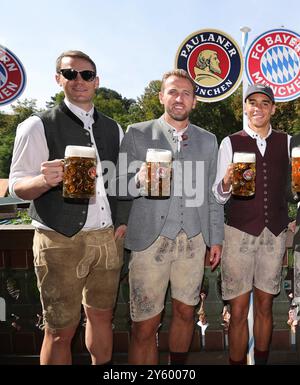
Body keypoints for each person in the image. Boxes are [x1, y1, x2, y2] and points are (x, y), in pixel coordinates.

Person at [9, 50, 127, 365]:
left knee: (102, 318)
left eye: (86, 75)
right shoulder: (36, 125)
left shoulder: (114, 128)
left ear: (96, 81)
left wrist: (122, 221)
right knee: (60, 330)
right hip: (59, 239)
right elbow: (16, 185)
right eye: (70, 73)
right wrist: (44, 180)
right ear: (58, 78)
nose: (79, 80)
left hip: (106, 237)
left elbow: (120, 182)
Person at [117, 69, 224, 365]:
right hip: (150, 241)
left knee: (186, 313)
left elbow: (213, 195)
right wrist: (138, 177)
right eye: (173, 92)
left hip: (193, 240)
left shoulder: (208, 140)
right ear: (161, 96)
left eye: (186, 93)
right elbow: (118, 187)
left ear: (194, 102)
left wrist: (215, 239)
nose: (179, 98)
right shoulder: (137, 132)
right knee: (144, 324)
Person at [213, 83, 290, 365]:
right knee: (237, 309)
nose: (258, 108)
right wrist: (226, 181)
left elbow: (292, 188)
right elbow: (218, 196)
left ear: (273, 108)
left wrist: (291, 221)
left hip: (273, 234)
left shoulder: (288, 141)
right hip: (238, 234)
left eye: (264, 103)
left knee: (266, 306)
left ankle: (261, 360)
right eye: (252, 102)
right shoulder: (230, 142)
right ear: (245, 107)